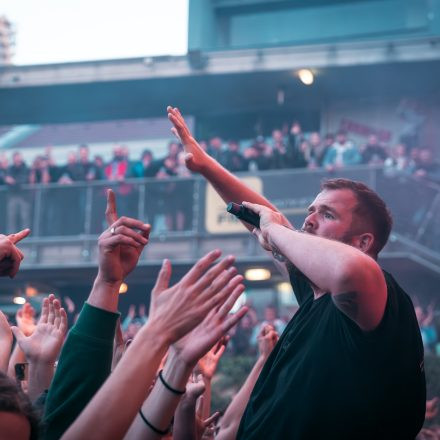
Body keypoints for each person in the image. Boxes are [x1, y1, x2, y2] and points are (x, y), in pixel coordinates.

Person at [167, 106, 426, 439]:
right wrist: (206, 165)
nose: (309, 220)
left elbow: (346, 269)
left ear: (363, 242)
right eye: (311, 211)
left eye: (327, 214)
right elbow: (266, 216)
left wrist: (275, 232)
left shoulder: (376, 289)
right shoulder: (315, 293)